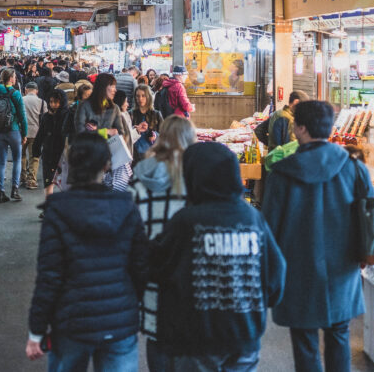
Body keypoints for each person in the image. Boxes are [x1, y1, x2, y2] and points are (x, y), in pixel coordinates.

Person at [150, 140, 286, 372]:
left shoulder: (186, 220)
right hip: (245, 337)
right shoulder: (253, 218)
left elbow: (157, 267)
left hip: (196, 340)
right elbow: (276, 274)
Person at [262, 100, 371, 372]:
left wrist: (266, 276)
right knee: (339, 336)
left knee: (305, 341)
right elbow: (369, 216)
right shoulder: (354, 167)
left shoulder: (282, 174)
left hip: (298, 270)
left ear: (299, 128)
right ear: (330, 126)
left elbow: (269, 230)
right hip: (343, 269)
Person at [26, 134, 148, 369]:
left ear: (70, 164)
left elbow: (49, 277)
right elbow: (141, 267)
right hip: (119, 323)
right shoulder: (127, 207)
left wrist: (36, 330)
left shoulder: (58, 211)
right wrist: (131, 305)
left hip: (71, 324)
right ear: (106, 165)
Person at [130, 115, 192, 364]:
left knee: (157, 337)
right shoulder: (195, 178)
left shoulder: (139, 177)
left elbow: (128, 229)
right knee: (187, 339)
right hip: (187, 271)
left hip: (151, 270)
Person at [0, 68, 28, 203]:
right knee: (17, 159)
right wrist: (24, 133)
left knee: (1, 161)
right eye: (14, 77)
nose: (16, 78)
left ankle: (0, 192)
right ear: (10, 78)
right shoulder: (16, 94)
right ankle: (15, 189)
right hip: (13, 130)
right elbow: (22, 116)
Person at [37, 88, 71, 200]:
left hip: (63, 153)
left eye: (56, 102)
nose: (53, 105)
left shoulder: (67, 115)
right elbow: (41, 133)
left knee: (65, 182)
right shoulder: (46, 116)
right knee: (48, 180)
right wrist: (36, 147)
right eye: (51, 102)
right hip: (49, 153)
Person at [21, 82, 47, 190]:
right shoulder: (42, 102)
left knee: (21, 155)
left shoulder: (21, 99)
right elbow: (45, 119)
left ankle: (22, 176)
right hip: (36, 132)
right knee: (34, 157)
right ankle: (31, 180)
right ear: (36, 91)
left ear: (26, 90)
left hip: (21, 132)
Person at [130, 84, 163, 162]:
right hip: (135, 156)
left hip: (153, 155)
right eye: (137, 96)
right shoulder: (131, 114)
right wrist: (135, 130)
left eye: (143, 96)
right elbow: (126, 135)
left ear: (148, 97)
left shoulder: (156, 114)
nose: (140, 99)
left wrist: (155, 135)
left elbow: (164, 135)